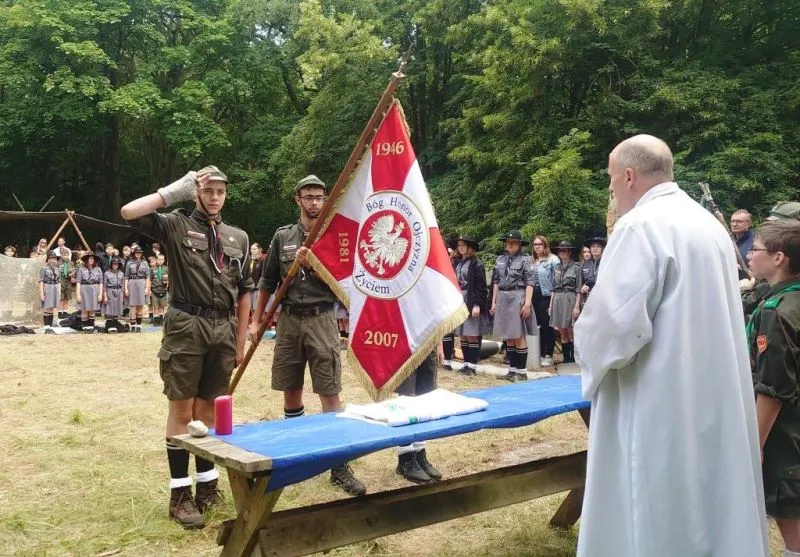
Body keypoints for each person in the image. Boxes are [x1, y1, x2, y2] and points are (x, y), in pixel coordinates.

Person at [574, 134, 768, 557]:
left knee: (655, 502)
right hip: (712, 389)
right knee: (709, 494)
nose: (611, 191)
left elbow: (613, 327)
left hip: (657, 397)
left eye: (611, 180)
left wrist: (584, 347)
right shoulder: (709, 227)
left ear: (629, 175)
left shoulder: (640, 227)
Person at [121, 165, 253, 529]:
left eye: (220, 191)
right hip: (186, 325)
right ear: (196, 192)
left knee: (208, 410)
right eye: (208, 190)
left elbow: (245, 292)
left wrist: (240, 340)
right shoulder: (176, 225)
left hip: (223, 329)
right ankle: (180, 494)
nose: (215, 197)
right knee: (182, 409)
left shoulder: (238, 237)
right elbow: (129, 212)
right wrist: (172, 192)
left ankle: (207, 486)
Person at [250, 174, 366, 497]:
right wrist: (257, 322)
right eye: (309, 197)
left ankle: (339, 466)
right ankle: (296, 458)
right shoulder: (282, 236)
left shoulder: (335, 237)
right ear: (297, 199)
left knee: (330, 391)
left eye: (319, 197)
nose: (315, 203)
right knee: (291, 390)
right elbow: (267, 282)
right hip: (289, 320)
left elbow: (346, 283)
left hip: (322, 318)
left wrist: (313, 263)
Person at [745, 219, 800, 557]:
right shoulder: (786, 299)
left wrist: (756, 441)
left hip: (783, 429)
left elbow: (773, 388)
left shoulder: (776, 312)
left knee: (790, 515)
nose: (749, 255)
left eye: (755, 249)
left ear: (778, 257)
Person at [490, 230, 537, 382]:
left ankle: (522, 372)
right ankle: (512, 370)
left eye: (513, 242)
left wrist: (527, 303)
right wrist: (493, 301)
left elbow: (530, 282)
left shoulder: (526, 259)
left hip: (518, 295)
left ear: (519, 244)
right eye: (508, 242)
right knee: (508, 336)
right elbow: (496, 281)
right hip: (503, 296)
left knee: (518, 334)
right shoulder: (500, 259)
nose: (510, 245)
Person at [742, 202, 800, 321]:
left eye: (778, 226)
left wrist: (744, 289)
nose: (770, 231)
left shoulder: (784, 279)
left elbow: (746, 305)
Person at [394, 349, 444, 484]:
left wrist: (439, 343)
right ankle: (405, 457)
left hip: (427, 339)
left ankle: (419, 452)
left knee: (425, 396)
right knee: (406, 397)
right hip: (406, 342)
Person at [454, 235, 489, 376]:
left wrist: (477, 304)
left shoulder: (477, 264)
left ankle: (472, 366)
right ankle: (466, 364)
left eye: (463, 245)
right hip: (459, 299)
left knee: (471, 333)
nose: (460, 247)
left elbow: (481, 286)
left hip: (471, 298)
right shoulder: (458, 262)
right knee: (462, 334)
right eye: (459, 245)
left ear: (470, 247)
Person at [549, 242, 581, 363]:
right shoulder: (556, 267)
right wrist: (551, 305)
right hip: (557, 298)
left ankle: (574, 358)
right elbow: (553, 287)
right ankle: (566, 358)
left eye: (564, 250)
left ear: (569, 252)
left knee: (571, 330)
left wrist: (577, 306)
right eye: (560, 250)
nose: (562, 252)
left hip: (570, 298)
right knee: (562, 331)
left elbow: (578, 289)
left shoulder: (576, 267)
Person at [531, 235, 559, 367]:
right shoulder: (531, 260)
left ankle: (548, 354)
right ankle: (539, 353)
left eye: (540, 244)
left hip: (546, 295)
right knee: (537, 325)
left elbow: (556, 281)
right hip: (533, 295)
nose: (537, 247)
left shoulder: (553, 260)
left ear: (545, 245)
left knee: (547, 325)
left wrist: (553, 300)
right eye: (535, 244)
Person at [76, 253, 103, 332]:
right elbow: (78, 282)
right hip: (84, 289)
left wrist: (100, 294)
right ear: (86, 260)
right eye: (89, 258)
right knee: (84, 309)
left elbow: (101, 282)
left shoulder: (98, 269)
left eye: (92, 258)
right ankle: (85, 327)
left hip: (95, 290)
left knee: (92, 309)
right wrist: (78, 295)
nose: (91, 260)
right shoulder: (81, 269)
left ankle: (91, 326)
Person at [125, 246, 150, 332]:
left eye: (140, 253)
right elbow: (126, 276)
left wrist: (147, 288)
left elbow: (148, 276)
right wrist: (126, 288)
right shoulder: (129, 263)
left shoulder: (145, 263)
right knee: (132, 306)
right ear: (134, 253)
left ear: (142, 254)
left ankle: (138, 326)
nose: (138, 254)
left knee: (140, 305)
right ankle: (132, 326)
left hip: (142, 283)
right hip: (132, 283)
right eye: (137, 253)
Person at [39, 251, 61, 331]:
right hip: (47, 287)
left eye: (55, 258)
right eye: (51, 258)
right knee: (47, 307)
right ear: (48, 259)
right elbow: (41, 281)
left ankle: (50, 327)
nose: (53, 260)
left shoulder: (57, 269)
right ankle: (46, 327)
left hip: (55, 287)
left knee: (52, 308)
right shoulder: (44, 268)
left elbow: (59, 281)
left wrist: (59, 292)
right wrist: (41, 293)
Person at [103, 257, 125, 332]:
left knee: (117, 308)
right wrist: (105, 296)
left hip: (119, 291)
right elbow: (104, 285)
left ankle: (115, 324)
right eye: (114, 264)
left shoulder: (121, 273)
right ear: (111, 264)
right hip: (110, 290)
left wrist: (122, 293)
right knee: (110, 308)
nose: (116, 265)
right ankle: (110, 325)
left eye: (117, 264)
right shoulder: (107, 273)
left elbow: (123, 284)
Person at [580, 237, 604, 303]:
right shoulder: (584, 264)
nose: (595, 248)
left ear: (602, 248)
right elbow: (580, 283)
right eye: (593, 246)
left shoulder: (607, 263)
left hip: (603, 298)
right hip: (588, 299)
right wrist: (582, 287)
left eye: (598, 246)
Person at [245, 243, 264, 322]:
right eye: (251, 249)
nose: (252, 251)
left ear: (259, 250)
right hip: (249, 287)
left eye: (255, 249)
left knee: (257, 307)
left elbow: (263, 274)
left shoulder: (262, 260)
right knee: (250, 307)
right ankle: (252, 322)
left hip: (257, 287)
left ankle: (257, 322)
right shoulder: (248, 260)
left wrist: (260, 287)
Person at [150, 253, 169, 325]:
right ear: (156, 260)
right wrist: (149, 289)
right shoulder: (152, 269)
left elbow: (170, 279)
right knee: (155, 307)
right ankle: (156, 320)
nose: (160, 261)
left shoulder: (166, 269)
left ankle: (161, 320)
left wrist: (167, 285)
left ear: (164, 260)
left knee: (162, 306)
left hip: (163, 290)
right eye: (159, 259)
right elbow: (150, 280)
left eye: (162, 259)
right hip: (154, 290)